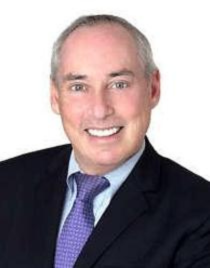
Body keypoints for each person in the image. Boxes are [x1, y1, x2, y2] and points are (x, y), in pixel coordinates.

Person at [0, 14, 210, 268]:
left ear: (152, 88)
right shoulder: (7, 184)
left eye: (119, 84)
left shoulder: (200, 213)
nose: (100, 109)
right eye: (78, 87)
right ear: (55, 97)